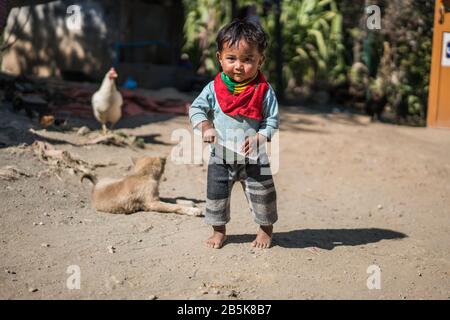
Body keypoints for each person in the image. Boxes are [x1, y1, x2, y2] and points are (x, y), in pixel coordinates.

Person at [188, 19, 279, 249]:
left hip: (254, 157)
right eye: (231, 58)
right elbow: (196, 109)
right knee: (216, 196)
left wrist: (260, 137)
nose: (239, 65)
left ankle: (265, 230)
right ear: (219, 58)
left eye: (248, 59)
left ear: (261, 60)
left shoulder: (264, 91)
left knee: (263, 196)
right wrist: (206, 127)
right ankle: (219, 231)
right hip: (221, 156)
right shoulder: (213, 88)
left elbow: (271, 120)